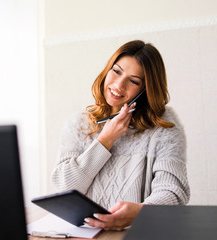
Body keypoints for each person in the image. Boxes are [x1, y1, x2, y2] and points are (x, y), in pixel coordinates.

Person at [51, 40, 190, 230]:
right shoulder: (78, 124)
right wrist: (104, 141)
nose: (118, 85)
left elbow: (174, 192)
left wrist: (140, 213)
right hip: (86, 234)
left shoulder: (163, 129)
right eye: (116, 71)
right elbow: (64, 186)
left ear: (145, 91)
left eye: (133, 81)